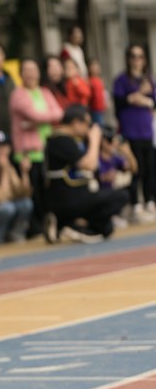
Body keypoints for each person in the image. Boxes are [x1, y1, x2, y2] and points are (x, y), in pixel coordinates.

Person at [43, 105, 129, 243]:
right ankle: (69, 223)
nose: (88, 128)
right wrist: (95, 140)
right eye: (86, 124)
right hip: (68, 198)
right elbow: (89, 165)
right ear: (76, 122)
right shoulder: (60, 140)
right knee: (121, 196)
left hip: (77, 194)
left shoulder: (71, 140)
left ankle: (74, 226)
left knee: (106, 229)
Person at [9, 59, 65, 236]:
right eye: (27, 70)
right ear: (20, 74)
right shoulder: (18, 95)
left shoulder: (44, 92)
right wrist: (42, 117)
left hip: (45, 149)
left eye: (34, 69)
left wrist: (38, 119)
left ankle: (49, 224)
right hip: (27, 152)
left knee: (48, 190)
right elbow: (33, 114)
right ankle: (34, 228)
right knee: (33, 192)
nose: (31, 74)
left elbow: (59, 113)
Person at [112, 45, 155, 221]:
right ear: (128, 58)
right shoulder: (122, 80)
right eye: (134, 56)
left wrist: (141, 99)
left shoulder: (148, 79)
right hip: (130, 131)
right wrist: (139, 96)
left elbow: (152, 103)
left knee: (150, 169)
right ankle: (136, 204)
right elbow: (120, 103)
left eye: (140, 56)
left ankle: (150, 201)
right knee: (135, 169)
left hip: (147, 131)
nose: (137, 60)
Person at [87, 58, 108, 126]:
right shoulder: (89, 80)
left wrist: (106, 102)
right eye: (93, 67)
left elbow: (104, 93)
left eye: (96, 67)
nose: (95, 69)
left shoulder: (100, 80)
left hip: (101, 108)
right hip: (94, 109)